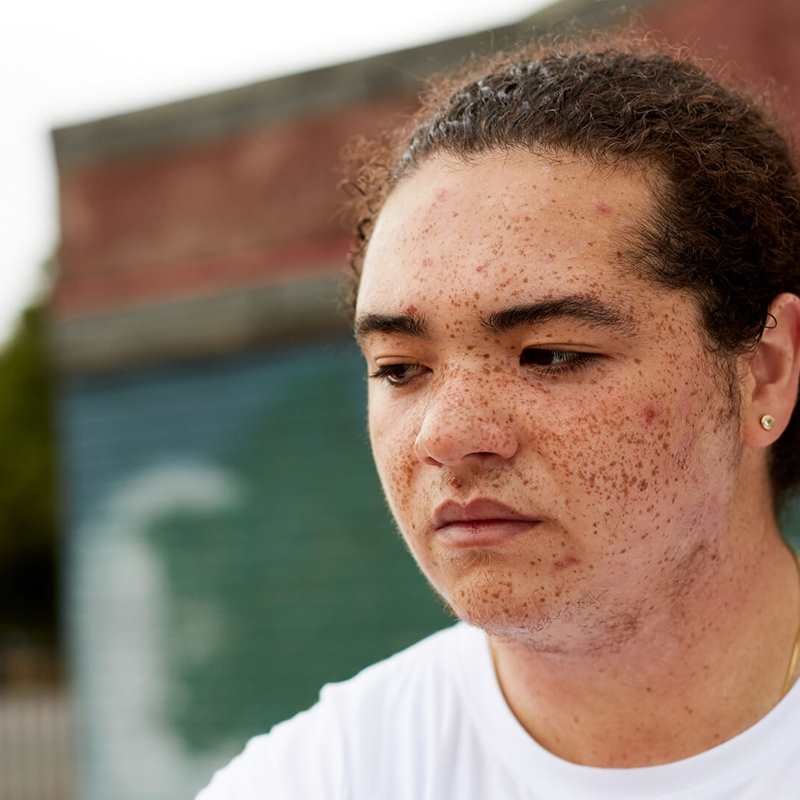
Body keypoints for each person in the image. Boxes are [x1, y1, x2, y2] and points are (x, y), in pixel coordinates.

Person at [196, 37, 800, 799]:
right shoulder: (322, 778)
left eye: (548, 355)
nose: (445, 436)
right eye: (400, 369)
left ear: (766, 370)